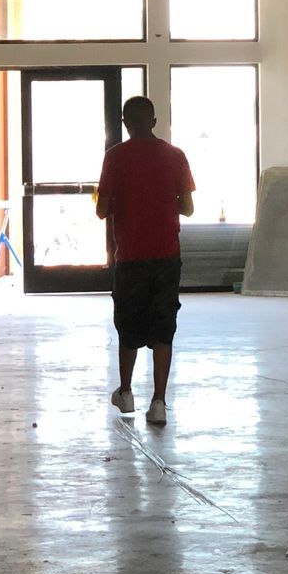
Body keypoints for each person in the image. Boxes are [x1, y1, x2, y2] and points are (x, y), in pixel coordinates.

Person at [95, 96, 195, 427]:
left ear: (125, 123)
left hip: (131, 257)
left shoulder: (115, 158)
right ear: (153, 121)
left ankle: (125, 393)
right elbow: (188, 208)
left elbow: (102, 209)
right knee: (163, 328)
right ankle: (159, 402)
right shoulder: (175, 156)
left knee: (128, 325)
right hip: (166, 255)